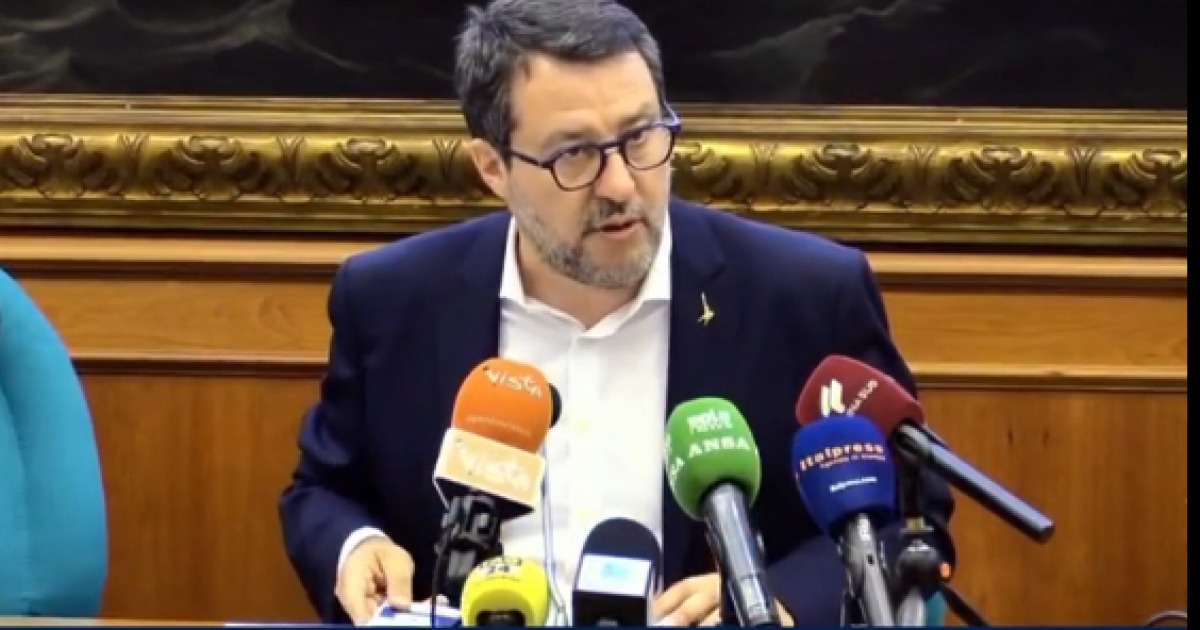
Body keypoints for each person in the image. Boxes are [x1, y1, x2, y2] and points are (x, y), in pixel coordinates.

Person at [277, 0, 955, 625]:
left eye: (641, 137)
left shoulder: (804, 295)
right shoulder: (393, 300)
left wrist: (776, 596)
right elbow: (323, 491)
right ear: (493, 167)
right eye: (575, 154)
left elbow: (907, 523)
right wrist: (354, 547)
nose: (622, 184)